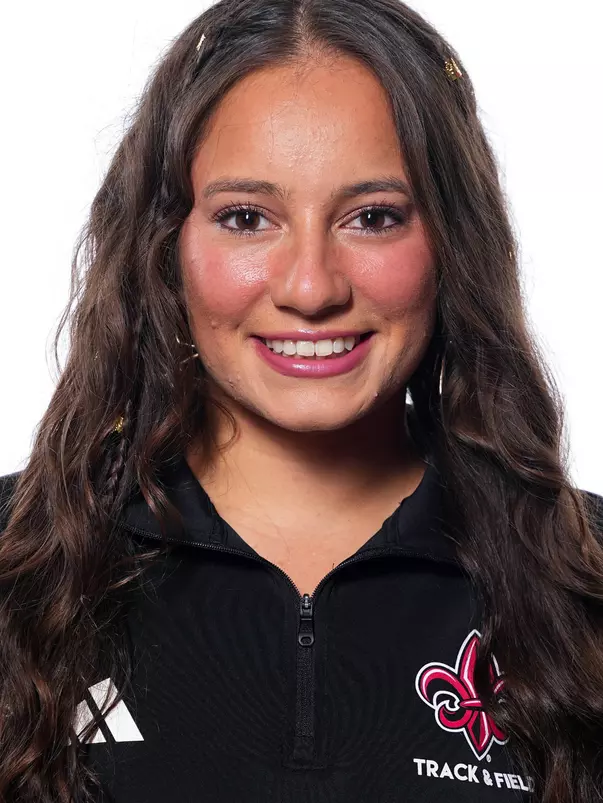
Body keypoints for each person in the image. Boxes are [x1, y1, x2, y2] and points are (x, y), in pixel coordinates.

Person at [0, 0, 602, 801]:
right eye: (247, 218)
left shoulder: (583, 583)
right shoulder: (20, 570)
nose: (311, 286)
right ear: (164, 246)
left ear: (451, 243)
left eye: (373, 217)